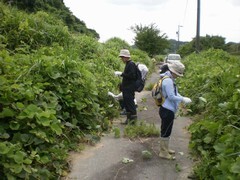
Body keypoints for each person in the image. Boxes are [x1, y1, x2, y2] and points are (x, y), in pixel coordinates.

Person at [158, 61, 192, 160]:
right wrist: (182, 99)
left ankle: (165, 148)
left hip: (166, 108)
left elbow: (174, 93)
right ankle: (163, 152)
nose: (178, 76)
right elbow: (172, 96)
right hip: (167, 110)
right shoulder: (168, 81)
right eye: (177, 74)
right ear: (173, 72)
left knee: (166, 129)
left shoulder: (168, 78)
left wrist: (182, 97)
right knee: (166, 130)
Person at [114, 49, 138, 125]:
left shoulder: (131, 64)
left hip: (129, 88)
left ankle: (132, 122)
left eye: (122, 57)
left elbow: (132, 76)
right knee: (127, 103)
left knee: (130, 104)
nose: (121, 59)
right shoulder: (128, 64)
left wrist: (121, 74)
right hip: (127, 88)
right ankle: (129, 120)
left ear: (126, 57)